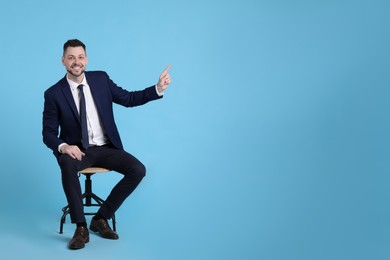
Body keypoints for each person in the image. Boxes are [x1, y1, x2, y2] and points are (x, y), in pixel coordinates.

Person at [42, 39, 171, 250]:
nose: (77, 62)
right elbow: (48, 133)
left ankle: (101, 218)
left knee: (138, 170)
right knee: (66, 163)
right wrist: (64, 146)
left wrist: (157, 88)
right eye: (71, 57)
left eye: (80, 57)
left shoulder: (100, 79)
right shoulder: (54, 93)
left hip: (106, 148)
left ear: (87, 59)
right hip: (78, 150)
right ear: (63, 60)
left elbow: (129, 98)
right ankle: (81, 227)